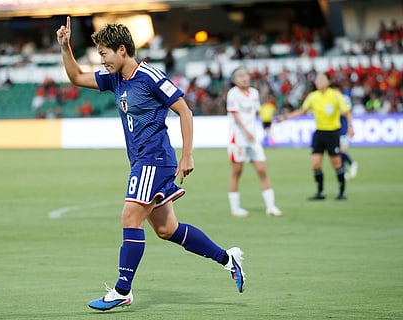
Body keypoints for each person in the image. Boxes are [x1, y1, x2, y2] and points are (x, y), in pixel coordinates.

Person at [56, 17, 245, 311]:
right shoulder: (116, 78)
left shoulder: (150, 77)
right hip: (144, 160)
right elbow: (77, 77)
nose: (102, 60)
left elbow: (185, 111)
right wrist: (66, 47)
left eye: (104, 54)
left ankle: (122, 290)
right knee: (167, 229)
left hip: (154, 159)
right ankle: (227, 258)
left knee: (130, 217)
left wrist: (187, 155)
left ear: (121, 50)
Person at [277, 73, 354, 200]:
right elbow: (302, 110)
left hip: (332, 132)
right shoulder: (313, 96)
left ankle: (342, 192)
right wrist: (285, 117)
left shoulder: (335, 95)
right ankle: (320, 192)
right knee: (316, 163)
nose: (319, 82)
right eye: (317, 80)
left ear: (328, 82)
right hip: (319, 133)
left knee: (337, 164)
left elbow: (346, 112)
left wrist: (351, 127)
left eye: (322, 79)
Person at [226, 67, 282, 217]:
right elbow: (236, 116)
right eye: (240, 76)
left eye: (245, 75)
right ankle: (235, 209)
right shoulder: (233, 94)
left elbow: (257, 113)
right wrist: (246, 132)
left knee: (262, 170)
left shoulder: (254, 93)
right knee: (237, 172)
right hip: (238, 138)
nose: (244, 78)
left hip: (252, 139)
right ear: (234, 80)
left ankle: (271, 207)